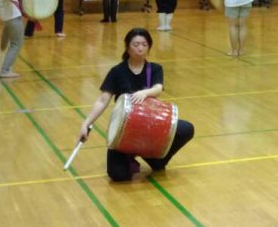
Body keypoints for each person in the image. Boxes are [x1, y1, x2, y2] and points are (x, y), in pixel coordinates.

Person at [76, 28, 195, 181]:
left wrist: (145, 93)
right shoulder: (117, 71)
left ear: (149, 47)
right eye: (136, 44)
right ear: (127, 47)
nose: (140, 48)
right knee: (118, 175)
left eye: (144, 44)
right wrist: (86, 124)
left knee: (186, 129)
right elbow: (102, 100)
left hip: (150, 128)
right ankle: (131, 153)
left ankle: (157, 158)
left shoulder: (155, 69)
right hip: (124, 132)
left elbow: (158, 88)